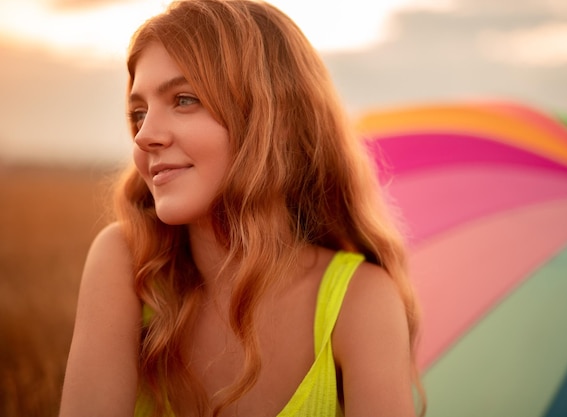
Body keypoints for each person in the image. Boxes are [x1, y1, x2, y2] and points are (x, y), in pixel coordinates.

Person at [60, 0, 424, 416]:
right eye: (138, 113)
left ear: (275, 121)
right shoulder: (128, 265)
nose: (144, 136)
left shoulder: (360, 301)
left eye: (183, 99)